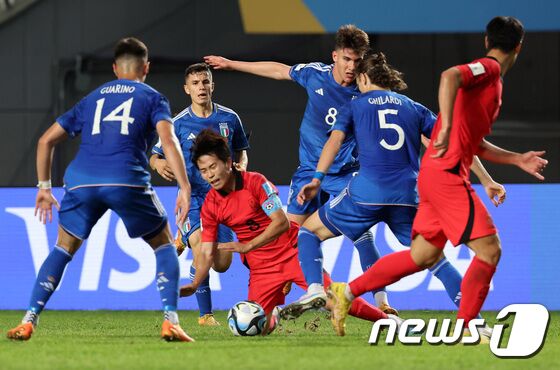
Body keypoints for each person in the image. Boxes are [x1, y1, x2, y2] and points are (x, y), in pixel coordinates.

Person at [328, 16, 548, 339]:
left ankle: (344, 294)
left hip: (433, 174)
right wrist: (443, 128)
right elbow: (449, 76)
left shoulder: (491, 82)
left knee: (422, 255)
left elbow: (474, 141)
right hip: (446, 175)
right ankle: (468, 325)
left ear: (487, 40)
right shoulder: (488, 70)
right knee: (490, 250)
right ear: (518, 47)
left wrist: (514, 161)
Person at [282, 52, 505, 326]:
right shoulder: (414, 107)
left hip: (366, 194)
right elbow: (458, 143)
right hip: (409, 197)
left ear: (363, 77)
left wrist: (317, 178)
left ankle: (316, 290)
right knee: (434, 258)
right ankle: (474, 323)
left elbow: (334, 143)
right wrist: (486, 179)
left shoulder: (355, 105)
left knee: (309, 231)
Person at [7, 38, 194, 342]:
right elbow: (168, 140)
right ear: (145, 67)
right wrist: (184, 186)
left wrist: (44, 187)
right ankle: (170, 320)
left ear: (114, 68)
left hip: (81, 181)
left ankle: (29, 319)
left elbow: (45, 141)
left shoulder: (92, 98)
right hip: (125, 179)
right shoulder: (153, 97)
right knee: (163, 244)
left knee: (62, 248)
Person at [204, 25, 394, 313]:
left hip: (345, 174)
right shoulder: (315, 74)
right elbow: (279, 70)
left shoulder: (365, 91)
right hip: (308, 173)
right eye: (346, 60)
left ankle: (384, 304)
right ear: (335, 57)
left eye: (357, 61)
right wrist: (231, 64)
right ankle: (297, 291)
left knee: (362, 233)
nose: (351, 67)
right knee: (284, 236)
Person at [180, 129, 399, 334]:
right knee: (260, 325)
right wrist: (195, 283)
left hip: (292, 251)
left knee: (333, 299)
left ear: (228, 162)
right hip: (261, 268)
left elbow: (281, 222)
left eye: (213, 167)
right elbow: (207, 251)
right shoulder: (210, 204)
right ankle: (278, 312)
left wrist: (247, 246)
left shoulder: (256, 182)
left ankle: (388, 321)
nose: (210, 175)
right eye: (203, 170)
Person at [150, 63, 249, 326]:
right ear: (187, 89)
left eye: (205, 82)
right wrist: (158, 164)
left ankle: (183, 238)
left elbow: (241, 150)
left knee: (222, 264)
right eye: (195, 83)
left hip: (225, 199)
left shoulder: (230, 118)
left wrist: (242, 166)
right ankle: (206, 315)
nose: (201, 87)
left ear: (212, 86)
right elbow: (155, 155)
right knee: (202, 247)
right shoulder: (178, 122)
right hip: (194, 198)